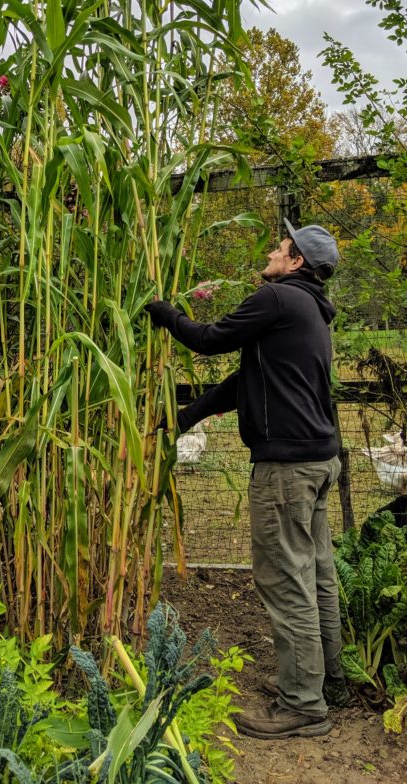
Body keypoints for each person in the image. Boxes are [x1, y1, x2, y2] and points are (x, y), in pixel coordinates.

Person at [146, 220, 349, 740]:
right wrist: (184, 417)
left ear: (297, 261)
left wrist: (164, 312)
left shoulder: (278, 299)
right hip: (319, 460)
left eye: (282, 247)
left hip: (287, 468)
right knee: (317, 573)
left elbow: (210, 340)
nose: (274, 250)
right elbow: (246, 381)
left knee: (286, 578)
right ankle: (328, 682)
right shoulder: (308, 311)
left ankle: (303, 704)